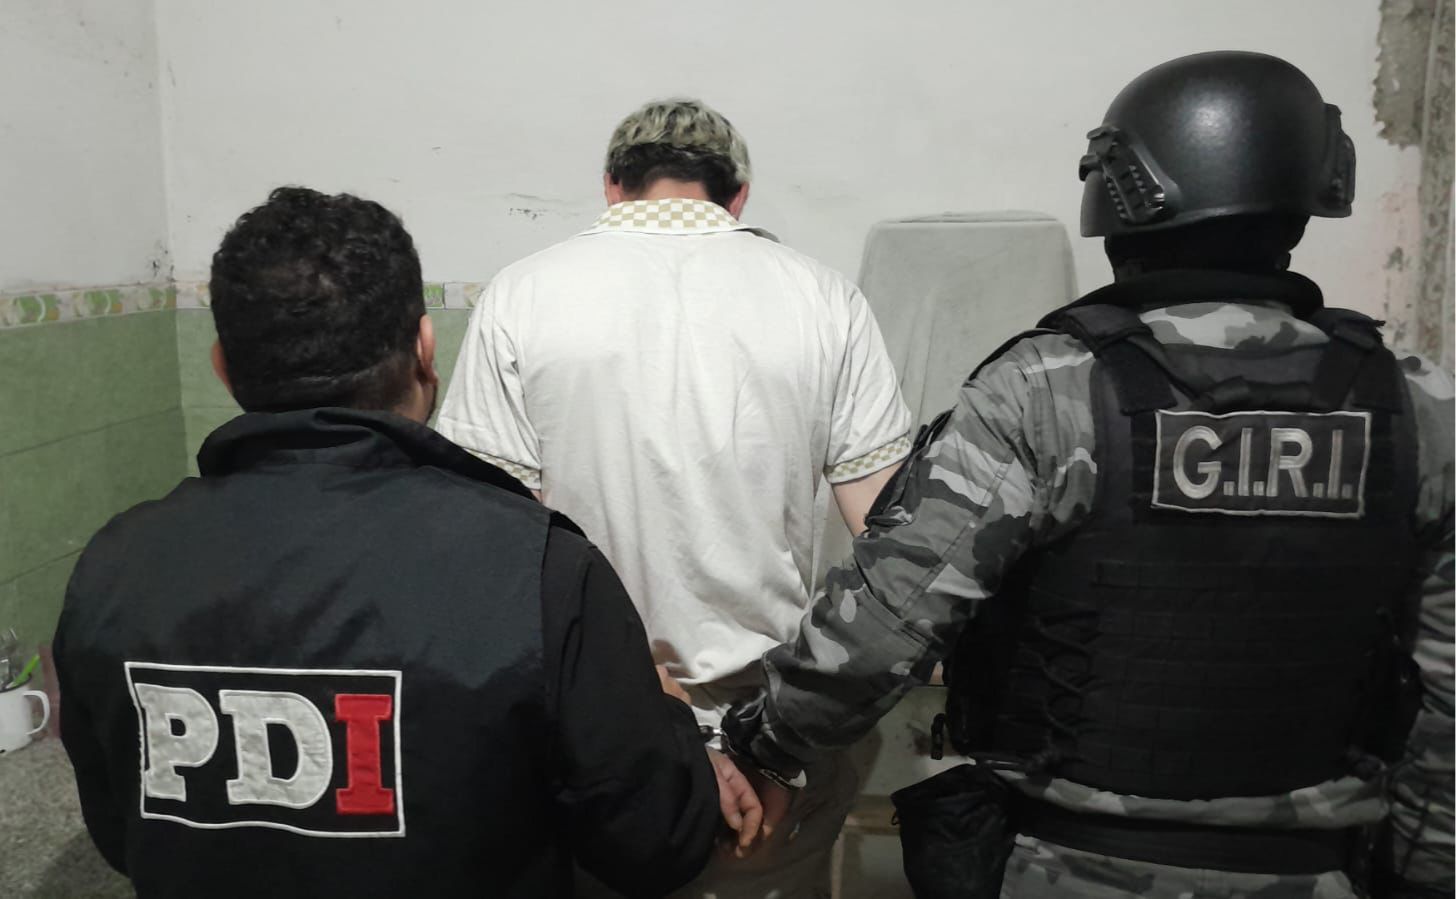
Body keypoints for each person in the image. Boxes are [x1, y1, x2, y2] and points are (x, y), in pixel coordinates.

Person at [724, 51, 1454, 898]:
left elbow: (884, 621)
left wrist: (762, 743)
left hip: (1071, 865)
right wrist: (1424, 870)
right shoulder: (1414, 406)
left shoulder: (1050, 391)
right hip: (1314, 869)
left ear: (1122, 205)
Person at [53, 187, 751, 898]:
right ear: (424, 349)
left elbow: (120, 830)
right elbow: (655, 843)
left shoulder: (114, 567)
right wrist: (665, 710)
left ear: (222, 366)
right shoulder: (536, 570)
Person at [437, 98, 913, 896]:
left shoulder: (521, 294)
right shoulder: (823, 297)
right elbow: (891, 540)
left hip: (591, 723)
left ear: (611, 187)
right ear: (738, 196)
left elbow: (491, 540)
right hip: (775, 724)